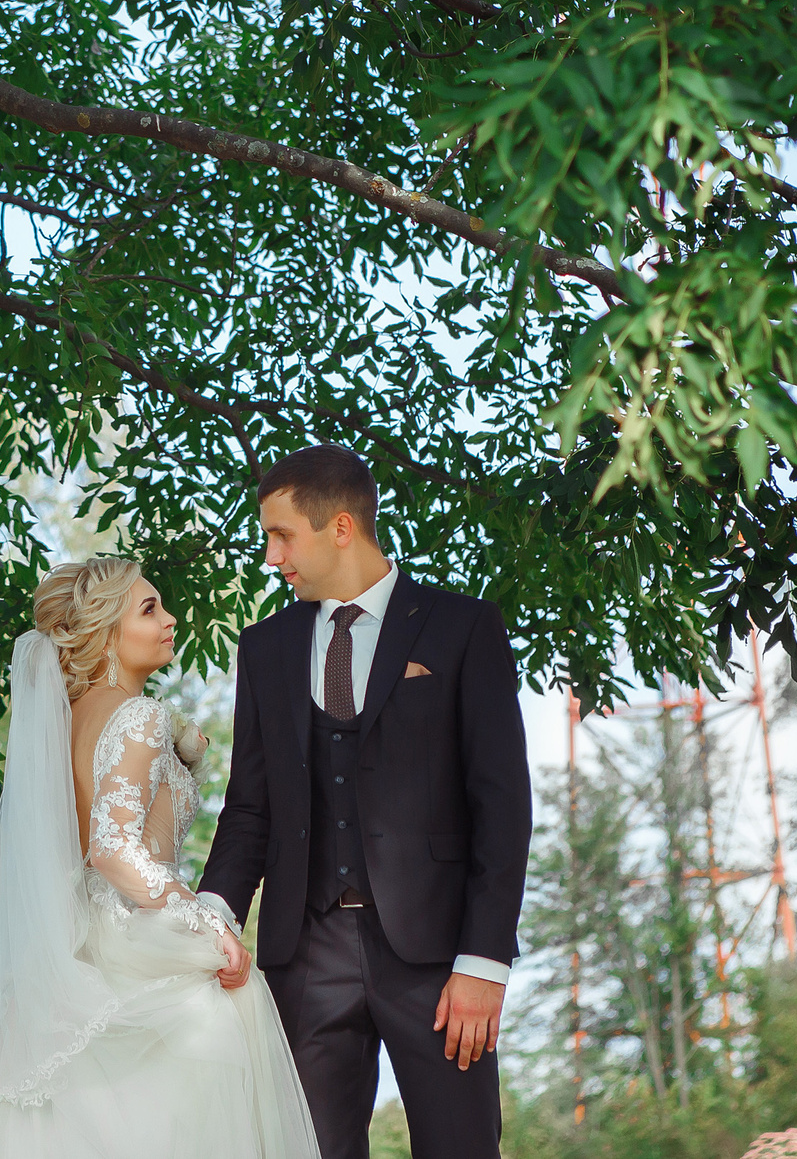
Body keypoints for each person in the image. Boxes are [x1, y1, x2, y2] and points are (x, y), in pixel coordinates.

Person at [0, 559, 321, 1159]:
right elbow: (112, 852)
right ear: (107, 633)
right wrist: (207, 923)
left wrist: (184, 765)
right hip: (134, 941)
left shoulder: (64, 724)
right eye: (149, 609)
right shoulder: (139, 715)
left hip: (80, 945)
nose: (170, 619)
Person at [197, 445, 532, 1159]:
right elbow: (250, 805)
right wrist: (213, 915)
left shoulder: (462, 627)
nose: (271, 556)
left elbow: (502, 806)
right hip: (304, 955)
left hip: (438, 958)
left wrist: (484, 961)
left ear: (341, 528)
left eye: (283, 535)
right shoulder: (265, 647)